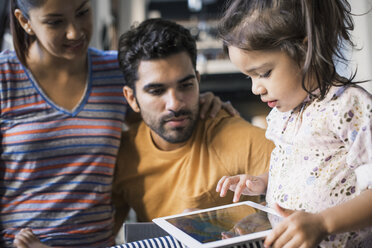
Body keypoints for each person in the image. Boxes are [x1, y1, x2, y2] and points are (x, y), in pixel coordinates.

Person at [1, 1, 235, 247]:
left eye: (82, 13)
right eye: (56, 21)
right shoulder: (4, 77)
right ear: (24, 21)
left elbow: (159, 122)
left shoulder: (114, 71)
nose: (75, 31)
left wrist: (200, 101)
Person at [216, 0, 372, 248]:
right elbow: (301, 166)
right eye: (249, 77)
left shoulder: (348, 106)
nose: (256, 88)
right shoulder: (284, 112)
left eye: (264, 73)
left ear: (305, 48)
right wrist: (264, 181)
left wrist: (323, 223)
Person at [111, 18, 275, 236]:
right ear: (131, 98)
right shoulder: (122, 155)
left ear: (198, 81)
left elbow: (310, 200)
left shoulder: (236, 137)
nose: (175, 104)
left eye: (186, 85)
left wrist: (215, 226)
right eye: (157, 91)